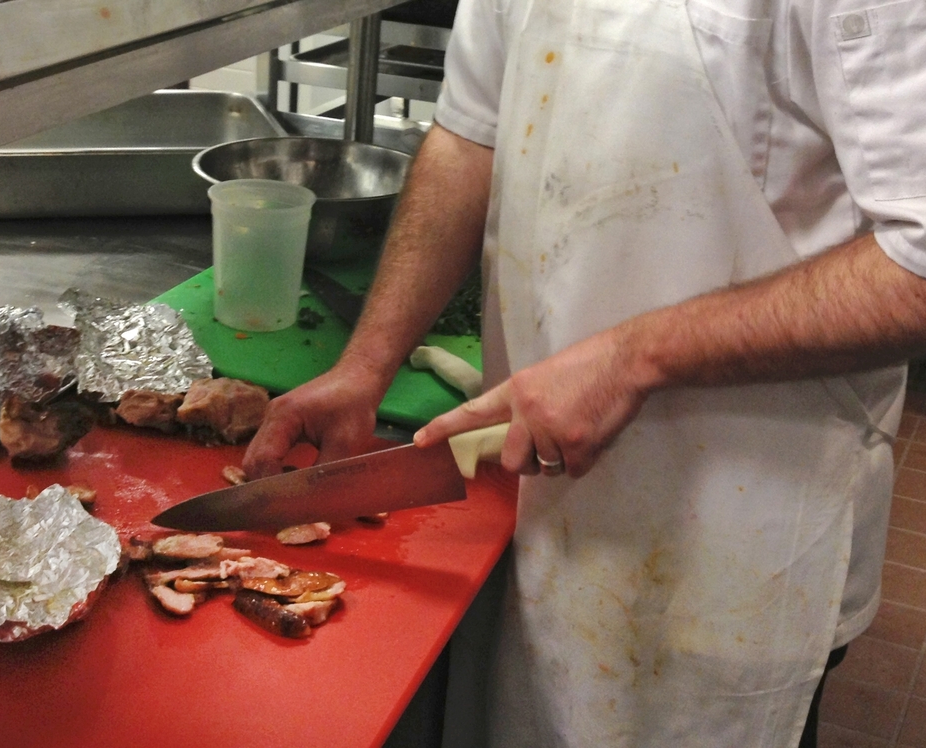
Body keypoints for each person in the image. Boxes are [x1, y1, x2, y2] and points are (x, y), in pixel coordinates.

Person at [245, 1, 926, 745]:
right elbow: (468, 138)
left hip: (739, 527)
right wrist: (367, 362)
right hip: (540, 493)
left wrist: (629, 359)